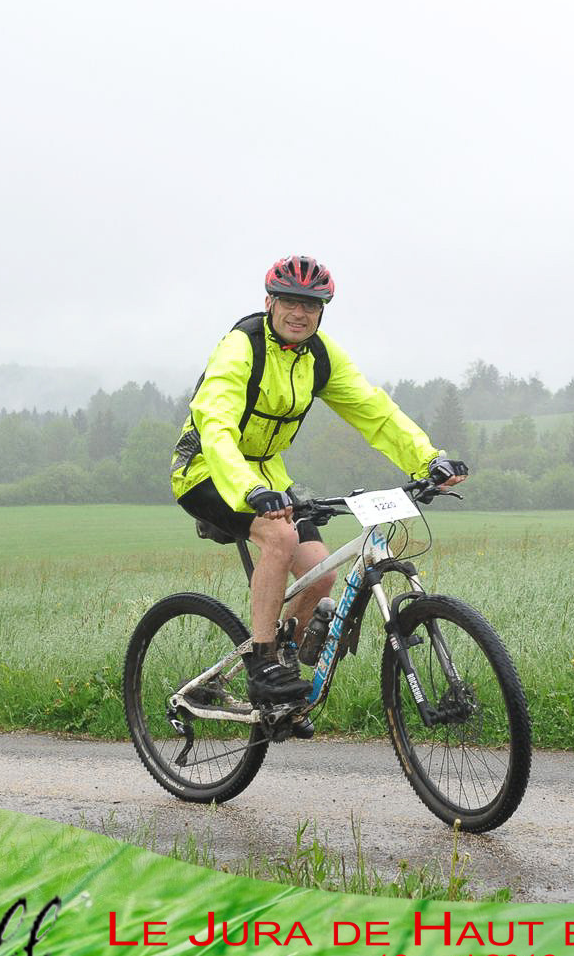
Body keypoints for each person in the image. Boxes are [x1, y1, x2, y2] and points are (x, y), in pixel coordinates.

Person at [170, 255, 468, 711]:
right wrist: (250, 490)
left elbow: (374, 411)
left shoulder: (320, 356)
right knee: (279, 536)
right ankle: (262, 665)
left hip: (269, 474)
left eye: (310, 305)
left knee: (321, 574)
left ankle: (284, 670)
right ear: (269, 303)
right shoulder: (241, 347)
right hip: (207, 469)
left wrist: (429, 460)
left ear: (322, 310)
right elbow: (216, 426)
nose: (299, 313)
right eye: (289, 302)